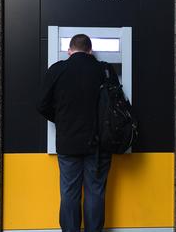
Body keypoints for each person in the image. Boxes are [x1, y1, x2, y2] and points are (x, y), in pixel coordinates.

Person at [38, 33, 112, 232]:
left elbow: (41, 105)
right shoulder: (103, 69)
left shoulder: (57, 69)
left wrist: (61, 121)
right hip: (98, 143)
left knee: (69, 192)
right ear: (90, 51)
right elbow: (114, 106)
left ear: (69, 51)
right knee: (95, 192)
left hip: (68, 142)